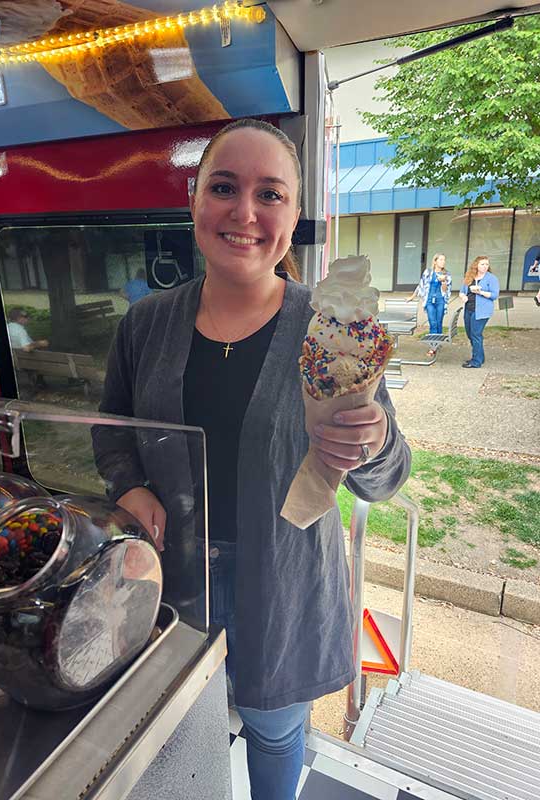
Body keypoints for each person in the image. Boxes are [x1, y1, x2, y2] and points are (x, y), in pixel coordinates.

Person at [97, 118, 411, 800]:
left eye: (269, 194)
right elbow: (110, 429)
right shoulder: (144, 325)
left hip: (286, 587)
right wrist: (128, 484)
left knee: (274, 732)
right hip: (171, 580)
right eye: (224, 187)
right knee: (178, 726)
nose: (244, 212)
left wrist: (375, 440)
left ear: (294, 216)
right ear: (193, 200)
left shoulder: (333, 331)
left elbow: (388, 479)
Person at [458, 255, 500, 369]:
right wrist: (463, 297)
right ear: (476, 265)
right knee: (469, 333)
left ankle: (476, 361)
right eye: (482, 264)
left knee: (476, 334)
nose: (485, 266)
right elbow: (461, 291)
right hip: (469, 309)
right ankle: (479, 356)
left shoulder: (491, 278)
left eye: (487, 264)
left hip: (482, 311)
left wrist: (480, 292)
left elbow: (494, 295)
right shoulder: (470, 276)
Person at [407, 253, 452, 356]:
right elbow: (421, 285)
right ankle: (432, 347)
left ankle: (438, 343)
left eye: (444, 260)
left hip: (440, 301)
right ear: (435, 261)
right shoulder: (428, 272)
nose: (443, 262)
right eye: (440, 260)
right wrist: (412, 297)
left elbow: (446, 290)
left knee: (439, 322)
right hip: (429, 301)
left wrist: (444, 281)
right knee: (433, 323)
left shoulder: (447, 274)